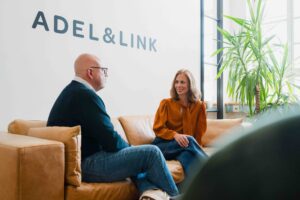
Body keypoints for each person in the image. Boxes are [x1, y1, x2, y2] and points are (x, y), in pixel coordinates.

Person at [47, 53, 179, 200]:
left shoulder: (71, 92)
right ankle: (175, 196)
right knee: (151, 153)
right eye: (103, 70)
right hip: (87, 165)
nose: (106, 74)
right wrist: (131, 149)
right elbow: (111, 140)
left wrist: (130, 152)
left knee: (136, 159)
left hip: (80, 163)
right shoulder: (85, 96)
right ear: (90, 72)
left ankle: (150, 192)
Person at [152, 69, 208, 189]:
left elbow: (199, 132)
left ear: (190, 85)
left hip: (184, 146)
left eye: (182, 82)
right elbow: (158, 128)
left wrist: (193, 148)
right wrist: (175, 135)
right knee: (190, 140)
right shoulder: (166, 104)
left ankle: (198, 192)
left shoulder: (199, 106)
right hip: (163, 145)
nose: (178, 85)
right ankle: (214, 167)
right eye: (176, 82)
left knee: (187, 155)